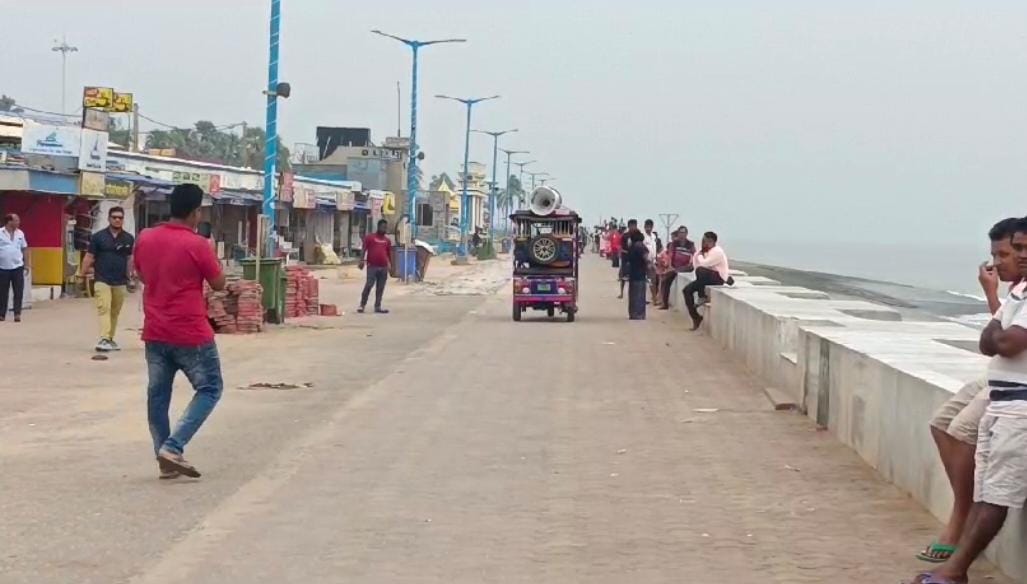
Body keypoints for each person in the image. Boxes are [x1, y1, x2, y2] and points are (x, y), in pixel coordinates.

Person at [909, 217, 1027, 584]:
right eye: (1010, 251)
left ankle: (955, 567)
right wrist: (997, 325)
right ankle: (955, 560)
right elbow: (988, 339)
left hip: (1017, 403)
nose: (1009, 260)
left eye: (1017, 250)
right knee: (983, 487)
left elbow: (1005, 342)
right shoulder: (1018, 293)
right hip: (1003, 395)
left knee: (995, 496)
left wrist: (996, 328)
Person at [133, 184, 226, 479]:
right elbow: (219, 283)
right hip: (190, 331)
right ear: (195, 212)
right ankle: (173, 446)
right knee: (210, 388)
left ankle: (164, 457)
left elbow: (142, 275)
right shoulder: (198, 244)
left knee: (158, 395)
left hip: (155, 329)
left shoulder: (145, 238)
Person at [79, 207, 135, 352]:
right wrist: (81, 274)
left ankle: (110, 339)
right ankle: (104, 338)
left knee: (115, 312)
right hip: (102, 278)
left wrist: (131, 278)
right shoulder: (98, 237)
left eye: (120, 217)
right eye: (114, 217)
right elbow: (89, 257)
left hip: (120, 280)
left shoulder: (128, 238)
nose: (117, 220)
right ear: (109, 219)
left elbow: (130, 259)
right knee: (104, 307)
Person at [684, 231, 730, 330]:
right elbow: (696, 263)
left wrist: (700, 255)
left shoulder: (717, 251)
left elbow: (704, 264)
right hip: (705, 279)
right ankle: (696, 317)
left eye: (704, 240)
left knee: (701, 270)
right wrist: (700, 253)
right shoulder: (705, 251)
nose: (702, 242)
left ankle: (702, 296)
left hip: (718, 278)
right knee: (686, 291)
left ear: (711, 241)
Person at [359, 219, 392, 314]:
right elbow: (364, 249)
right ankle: (362, 305)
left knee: (380, 287)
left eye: (385, 227)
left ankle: (377, 306)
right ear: (378, 227)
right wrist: (361, 260)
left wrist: (390, 265)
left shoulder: (387, 240)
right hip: (372, 266)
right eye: (382, 227)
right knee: (369, 285)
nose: (384, 229)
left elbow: (389, 254)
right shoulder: (370, 238)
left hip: (383, 267)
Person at [0, 213, 28, 322]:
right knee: (2, 292)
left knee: (18, 291)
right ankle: (2, 314)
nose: (18, 222)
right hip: (3, 267)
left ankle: (17, 314)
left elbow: (24, 248)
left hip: (17, 266)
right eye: (16, 220)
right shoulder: (0, 233)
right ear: (9, 222)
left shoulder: (20, 233)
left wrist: (26, 264)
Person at [626, 230, 649, 320]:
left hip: (633, 273)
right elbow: (646, 258)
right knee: (640, 295)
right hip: (640, 274)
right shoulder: (641, 246)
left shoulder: (632, 246)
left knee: (633, 295)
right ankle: (639, 314)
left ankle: (633, 314)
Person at [618, 219, 638, 299]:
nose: (633, 227)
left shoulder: (638, 236)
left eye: (635, 226)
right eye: (632, 226)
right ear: (629, 226)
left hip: (635, 260)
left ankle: (633, 294)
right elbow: (621, 248)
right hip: (626, 258)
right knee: (623, 277)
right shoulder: (625, 236)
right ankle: (621, 293)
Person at [643, 219, 660, 303]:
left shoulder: (654, 236)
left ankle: (654, 298)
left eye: (650, 227)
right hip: (644, 262)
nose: (648, 228)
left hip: (653, 261)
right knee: (645, 281)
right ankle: (644, 298)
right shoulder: (643, 237)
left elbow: (655, 249)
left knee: (653, 281)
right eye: (647, 227)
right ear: (644, 227)